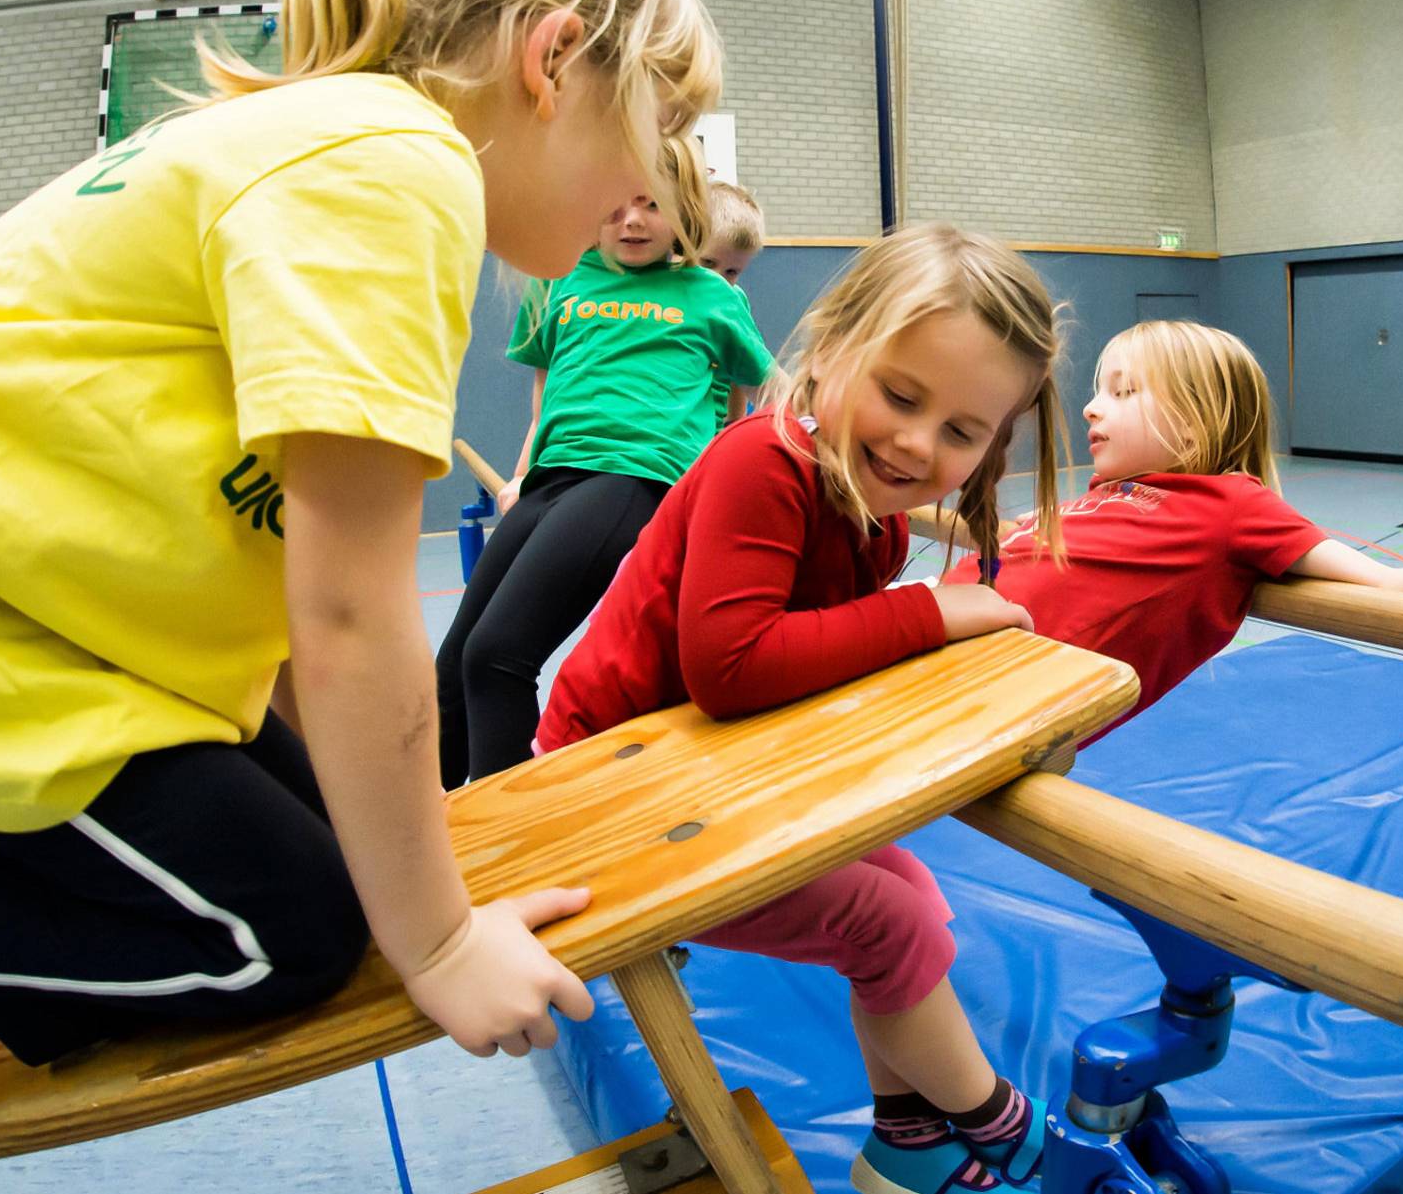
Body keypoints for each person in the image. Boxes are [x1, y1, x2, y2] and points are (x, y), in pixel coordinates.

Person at [0, 0, 722, 1094]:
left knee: (341, 843)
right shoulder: (397, 168)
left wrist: (407, 865)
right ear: (555, 58)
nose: (650, 184)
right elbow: (350, 611)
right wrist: (435, 936)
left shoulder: (346, 135)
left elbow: (279, 588)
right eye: (659, 125)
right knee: (288, 931)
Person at [535, 223, 1067, 1194]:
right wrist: (926, 611)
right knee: (889, 925)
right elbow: (733, 668)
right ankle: (1009, 1126)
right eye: (901, 395)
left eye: (961, 430)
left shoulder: (873, 510)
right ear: (828, 350)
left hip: (695, 772)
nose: (916, 441)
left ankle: (906, 1132)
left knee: (915, 896)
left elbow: (814, 669)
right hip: (601, 791)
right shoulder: (763, 463)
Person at [951, 320, 1403, 728]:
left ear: (1198, 417)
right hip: (935, 621)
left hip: (982, 681)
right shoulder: (1108, 491)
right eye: (1099, 390)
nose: (1091, 408)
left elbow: (1377, 582)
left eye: (1122, 392)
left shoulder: (1231, 505)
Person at [438, 135, 774, 789]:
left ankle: (508, 839)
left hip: (634, 476)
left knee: (497, 656)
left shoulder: (708, 294)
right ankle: (443, 825)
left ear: (682, 212)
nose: (633, 220)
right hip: (552, 475)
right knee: (452, 666)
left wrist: (723, 476)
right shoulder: (561, 279)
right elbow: (547, 388)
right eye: (617, 205)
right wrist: (520, 469)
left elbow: (747, 390)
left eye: (652, 204)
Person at [699, 180, 768, 426]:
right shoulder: (669, 292)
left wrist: (735, 423)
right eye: (707, 263)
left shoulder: (733, 298)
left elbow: (744, 367)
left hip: (713, 429)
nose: (717, 279)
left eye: (731, 271)